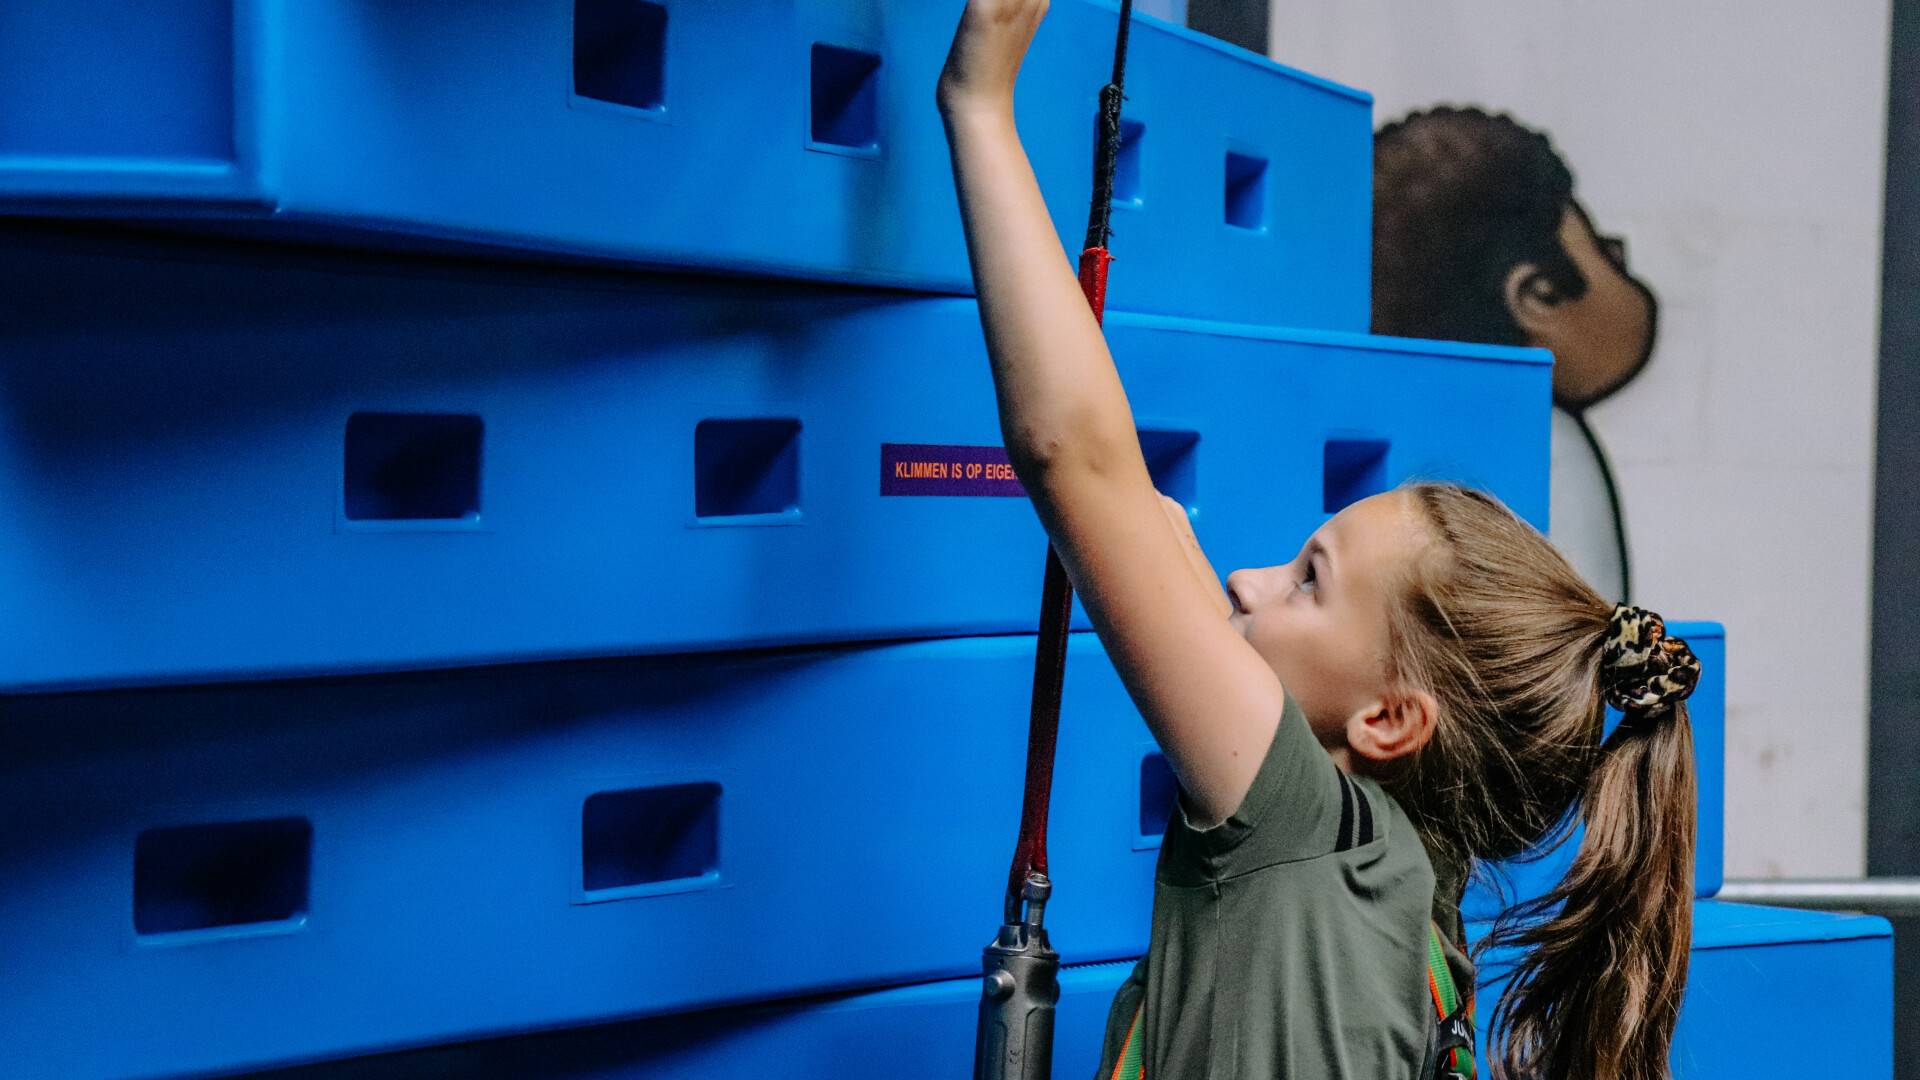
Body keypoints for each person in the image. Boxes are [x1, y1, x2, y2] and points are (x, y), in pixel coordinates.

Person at [937, 6, 1700, 1078]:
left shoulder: (1301, 832)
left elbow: (1076, 461)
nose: (1247, 581)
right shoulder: (1403, 893)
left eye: (1308, 582)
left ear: (1388, 719)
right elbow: (1145, 522)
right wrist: (1150, 533)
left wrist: (979, 105)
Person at [1373, 106, 1660, 604]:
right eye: (1607, 253)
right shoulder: (1544, 438)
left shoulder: (1400, 425)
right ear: (1538, 295)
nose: (1620, 268)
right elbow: (1590, 629)